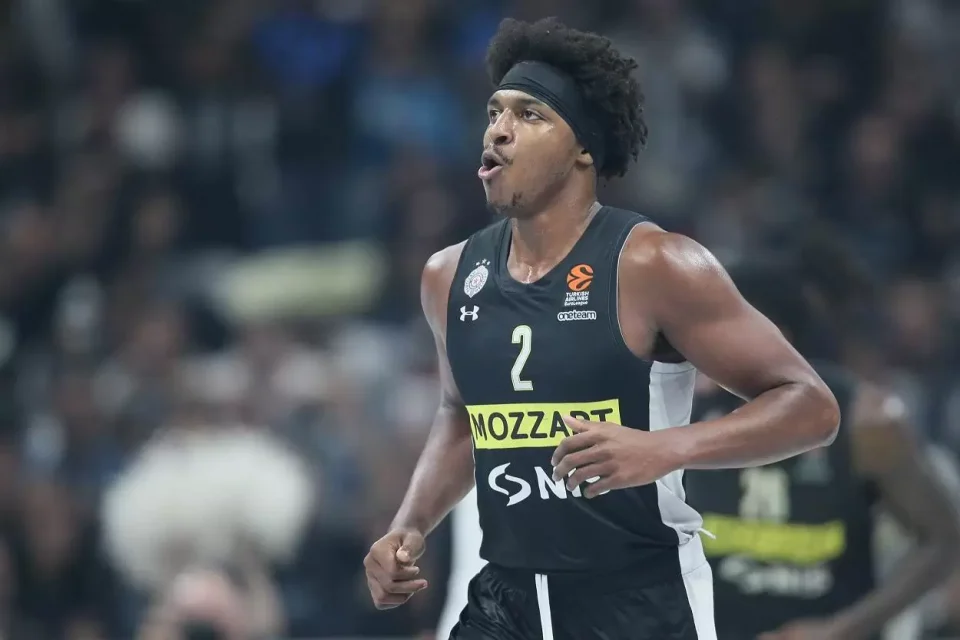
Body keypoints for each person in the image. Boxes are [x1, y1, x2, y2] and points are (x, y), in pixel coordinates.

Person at [363, 17, 840, 640]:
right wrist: (410, 524)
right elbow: (460, 416)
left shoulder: (656, 264)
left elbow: (812, 407)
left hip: (639, 601)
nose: (499, 129)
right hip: (504, 601)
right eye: (494, 112)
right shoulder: (449, 276)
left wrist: (665, 448)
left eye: (529, 114)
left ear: (582, 148)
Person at [685, 260, 960, 640]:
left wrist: (841, 629)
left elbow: (944, 539)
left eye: (714, 329)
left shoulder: (864, 421)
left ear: (773, 336)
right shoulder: (685, 408)